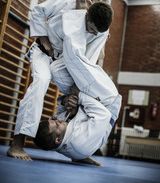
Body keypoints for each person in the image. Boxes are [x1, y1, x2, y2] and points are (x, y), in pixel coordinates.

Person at [7, 0, 114, 161]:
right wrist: (44, 40)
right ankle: (17, 143)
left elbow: (87, 60)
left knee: (78, 97)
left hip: (67, 61)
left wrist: (75, 92)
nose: (94, 34)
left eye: (98, 32)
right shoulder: (67, 1)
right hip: (44, 53)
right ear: (88, 15)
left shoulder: (100, 32)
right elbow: (38, 12)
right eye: (92, 29)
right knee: (41, 81)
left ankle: (77, 151)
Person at [33, 16, 122, 166]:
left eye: (53, 120)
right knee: (73, 58)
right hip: (107, 100)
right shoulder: (80, 142)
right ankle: (101, 31)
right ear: (58, 139)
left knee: (56, 70)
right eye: (57, 124)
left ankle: (97, 39)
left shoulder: (58, 136)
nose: (58, 120)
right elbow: (103, 115)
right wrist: (78, 96)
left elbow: (61, 109)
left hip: (89, 100)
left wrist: (66, 101)